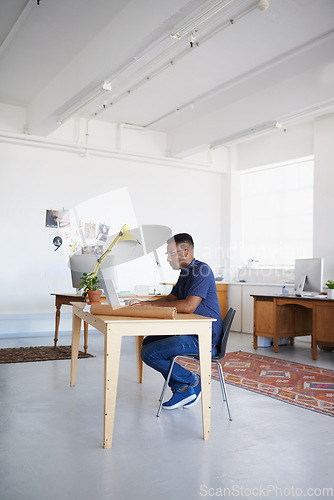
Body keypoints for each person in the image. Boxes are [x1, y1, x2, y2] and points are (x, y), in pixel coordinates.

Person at [129, 233, 223, 410]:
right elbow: (171, 299)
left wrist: (149, 307)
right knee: (149, 342)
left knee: (149, 353)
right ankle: (183, 388)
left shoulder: (202, 270)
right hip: (190, 331)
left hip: (205, 338)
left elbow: (188, 306)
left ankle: (191, 381)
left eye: (171, 254)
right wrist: (146, 304)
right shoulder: (186, 272)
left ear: (186, 252)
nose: (168, 259)